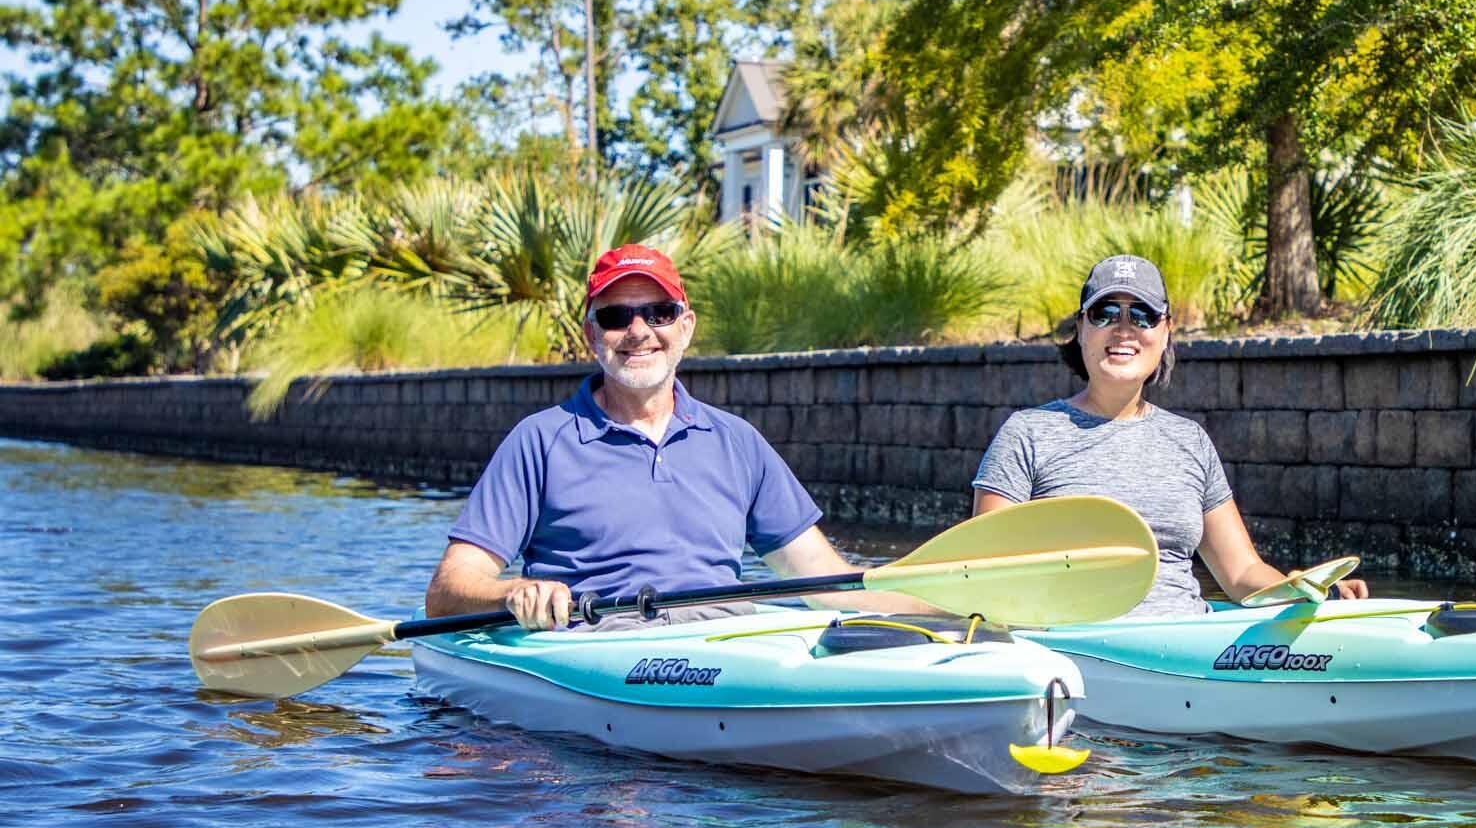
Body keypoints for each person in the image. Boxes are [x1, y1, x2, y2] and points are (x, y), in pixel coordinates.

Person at [426, 243, 924, 630]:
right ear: (592, 335)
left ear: (685, 328)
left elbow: (827, 581)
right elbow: (448, 589)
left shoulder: (737, 441)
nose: (638, 331)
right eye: (616, 317)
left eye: (659, 313)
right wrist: (512, 593)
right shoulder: (538, 441)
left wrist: (945, 607)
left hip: (723, 648)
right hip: (598, 650)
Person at [972, 254, 1367, 618]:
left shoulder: (1190, 441)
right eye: (1105, 313)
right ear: (1081, 328)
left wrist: (1306, 590)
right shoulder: (1027, 434)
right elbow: (981, 572)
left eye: (1142, 315)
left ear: (1165, 332)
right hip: (1075, 649)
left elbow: (1242, 573)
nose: (1123, 329)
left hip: (1186, 647)